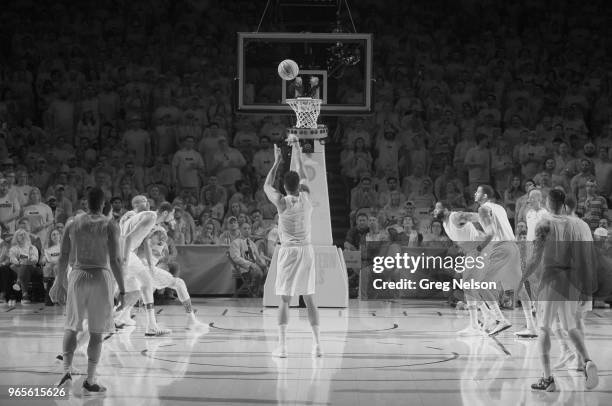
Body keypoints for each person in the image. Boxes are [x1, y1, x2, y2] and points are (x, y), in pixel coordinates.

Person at [49, 187, 125, 395]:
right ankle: (90, 380)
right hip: (100, 276)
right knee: (96, 332)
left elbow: (63, 255)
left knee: (71, 327)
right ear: (103, 204)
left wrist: (58, 281)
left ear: (85, 202)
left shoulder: (73, 223)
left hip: (78, 275)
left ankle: (66, 370)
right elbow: (117, 260)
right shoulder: (110, 224)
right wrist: (123, 289)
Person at [521, 189, 599, 391]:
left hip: (551, 279)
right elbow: (582, 258)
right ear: (563, 203)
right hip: (572, 279)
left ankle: (547, 379)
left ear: (548, 202)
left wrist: (521, 278)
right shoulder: (574, 224)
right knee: (570, 326)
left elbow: (535, 257)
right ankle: (587, 361)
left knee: (544, 328)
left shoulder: (544, 223)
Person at [264, 134, 321, 358]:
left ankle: (283, 347)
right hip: (307, 250)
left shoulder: (280, 202)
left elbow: (267, 184)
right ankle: (317, 345)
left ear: (285, 187)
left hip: (288, 251)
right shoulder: (306, 197)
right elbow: (304, 175)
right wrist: (296, 147)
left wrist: (277, 161)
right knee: (309, 299)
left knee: (285, 300)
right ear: (298, 186)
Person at [474, 185, 537, 337]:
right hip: (512, 246)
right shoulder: (499, 208)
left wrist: (479, 248)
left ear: (485, 196)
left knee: (480, 284)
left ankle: (499, 319)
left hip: (500, 248)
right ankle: (531, 327)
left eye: (478, 191)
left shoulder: (483, 209)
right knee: (519, 288)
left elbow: (491, 233)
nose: (474, 193)